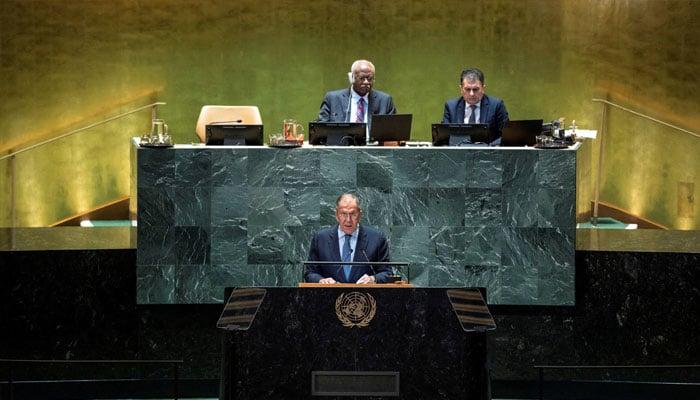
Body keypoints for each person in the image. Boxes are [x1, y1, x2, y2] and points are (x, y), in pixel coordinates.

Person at [305, 193, 392, 284]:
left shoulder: (376, 239)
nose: (348, 220)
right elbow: (310, 273)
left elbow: (387, 273)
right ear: (336, 214)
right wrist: (321, 280)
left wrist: (373, 279)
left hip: (365, 297)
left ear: (360, 215)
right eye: (343, 214)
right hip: (329, 296)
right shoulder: (321, 239)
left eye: (353, 214)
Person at [317, 60, 397, 129]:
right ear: (352, 78)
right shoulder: (332, 99)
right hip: (343, 145)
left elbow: (393, 130)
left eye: (369, 78)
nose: (366, 82)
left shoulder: (385, 100)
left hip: (373, 146)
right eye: (361, 78)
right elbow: (321, 129)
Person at [442, 68, 509, 144]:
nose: (472, 94)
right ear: (461, 89)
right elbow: (444, 137)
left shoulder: (496, 105)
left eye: (475, 89)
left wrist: (488, 148)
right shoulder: (451, 107)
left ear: (483, 88)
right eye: (467, 89)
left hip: (489, 153)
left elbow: (506, 135)